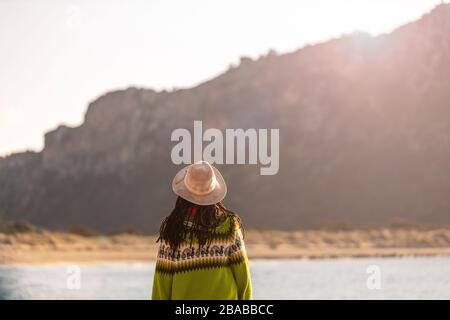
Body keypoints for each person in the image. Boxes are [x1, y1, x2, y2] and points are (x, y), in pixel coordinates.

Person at [152, 160, 252, 300]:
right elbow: (242, 274)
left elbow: (162, 279)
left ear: (184, 193)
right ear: (213, 192)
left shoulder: (172, 228)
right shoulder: (229, 225)